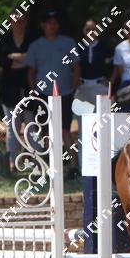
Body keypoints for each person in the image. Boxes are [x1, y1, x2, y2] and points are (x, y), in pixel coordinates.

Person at [24, 10, 80, 172]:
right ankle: (50, 166)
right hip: (42, 94)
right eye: (49, 23)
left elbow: (76, 67)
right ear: (43, 25)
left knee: (64, 130)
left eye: (55, 23)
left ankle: (74, 165)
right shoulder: (35, 46)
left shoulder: (68, 43)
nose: (52, 26)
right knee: (45, 130)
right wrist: (34, 92)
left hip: (65, 93)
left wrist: (74, 88)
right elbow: (31, 72)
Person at [0, 12, 31, 172]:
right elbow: (3, 62)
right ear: (10, 21)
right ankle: (13, 162)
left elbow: (34, 60)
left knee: (32, 126)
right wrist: (23, 59)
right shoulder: (4, 40)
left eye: (22, 21)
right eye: (16, 20)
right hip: (9, 90)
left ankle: (35, 160)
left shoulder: (31, 40)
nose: (19, 24)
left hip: (30, 88)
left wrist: (13, 57)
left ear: (26, 22)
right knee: (12, 128)